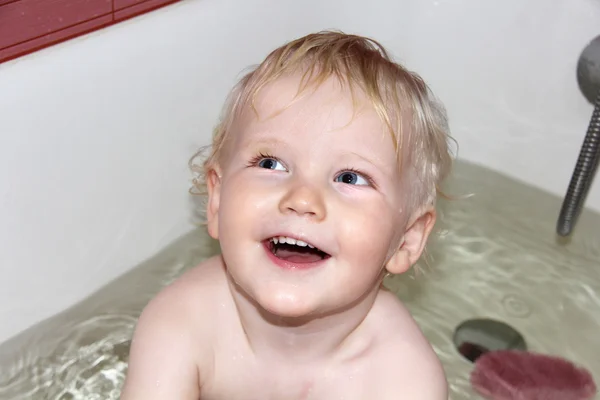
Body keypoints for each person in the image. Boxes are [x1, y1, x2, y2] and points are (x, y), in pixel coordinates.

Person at [121, 30, 453, 399]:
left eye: (349, 177)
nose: (302, 197)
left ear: (406, 239)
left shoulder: (402, 380)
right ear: (217, 199)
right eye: (271, 162)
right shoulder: (181, 322)